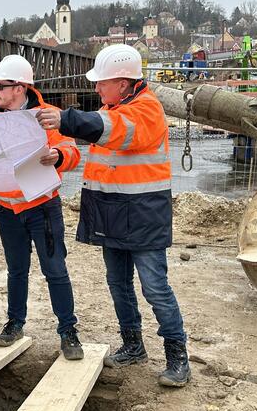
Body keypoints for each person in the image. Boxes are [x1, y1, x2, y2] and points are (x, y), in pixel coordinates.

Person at [36, 44, 191, 386]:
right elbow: (104, 138)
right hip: (112, 212)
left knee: (155, 288)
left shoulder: (146, 109)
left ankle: (177, 356)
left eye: (101, 82)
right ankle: (133, 344)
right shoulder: (113, 106)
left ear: (122, 82)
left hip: (143, 213)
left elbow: (114, 129)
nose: (96, 88)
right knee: (118, 283)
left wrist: (66, 118)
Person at [0, 55, 84, 360]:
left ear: (19, 87)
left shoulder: (48, 116)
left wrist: (58, 155)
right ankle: (15, 323)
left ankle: (68, 331)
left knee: (55, 270)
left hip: (43, 208)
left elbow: (72, 151)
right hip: (7, 209)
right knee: (16, 270)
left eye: (1, 85)